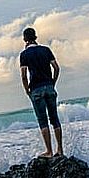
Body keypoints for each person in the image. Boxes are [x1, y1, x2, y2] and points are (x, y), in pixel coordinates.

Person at [19, 27, 63, 158]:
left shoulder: (24, 54)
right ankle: (60, 150)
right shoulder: (46, 50)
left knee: (43, 121)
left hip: (36, 89)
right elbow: (56, 68)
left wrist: (27, 90)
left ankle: (49, 151)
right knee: (54, 119)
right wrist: (52, 83)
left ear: (25, 39)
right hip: (49, 86)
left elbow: (23, 75)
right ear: (36, 37)